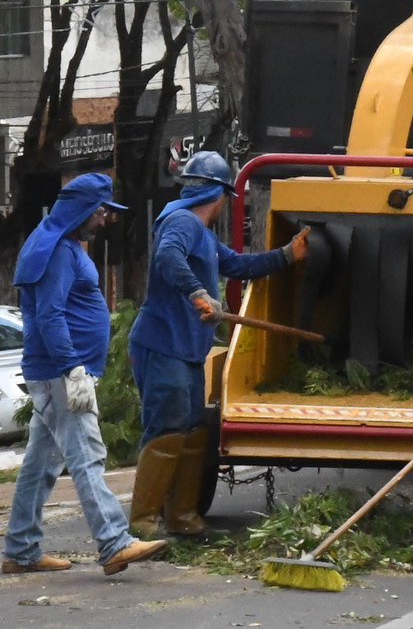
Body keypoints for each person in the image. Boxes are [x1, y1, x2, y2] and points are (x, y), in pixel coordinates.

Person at [126, 150, 307, 538]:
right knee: (166, 429)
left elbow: (239, 266)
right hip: (162, 346)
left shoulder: (203, 236)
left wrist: (287, 255)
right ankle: (143, 523)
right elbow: (167, 257)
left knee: (193, 430)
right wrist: (197, 294)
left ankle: (183, 518)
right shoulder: (181, 222)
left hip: (187, 350)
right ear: (221, 195)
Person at [4, 171, 166, 577]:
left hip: (57, 371)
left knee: (40, 465)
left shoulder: (59, 244)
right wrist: (72, 367)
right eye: (101, 212)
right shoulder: (57, 250)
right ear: (81, 210)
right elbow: (50, 315)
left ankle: (21, 549)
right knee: (87, 455)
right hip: (61, 374)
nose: (105, 220)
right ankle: (114, 543)